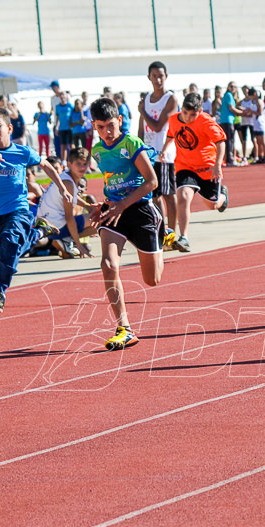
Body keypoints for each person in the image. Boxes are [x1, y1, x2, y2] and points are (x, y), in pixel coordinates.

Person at [0, 105, 67, 312]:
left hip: (17, 208)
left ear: (9, 129)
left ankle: (0, 293)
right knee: (8, 251)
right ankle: (39, 231)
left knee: (11, 244)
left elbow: (46, 164)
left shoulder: (22, 152)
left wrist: (62, 187)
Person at [88, 97, 163, 350]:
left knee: (152, 280)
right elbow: (111, 180)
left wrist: (124, 204)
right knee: (108, 264)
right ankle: (124, 328)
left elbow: (151, 182)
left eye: (110, 125)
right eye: (100, 127)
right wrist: (104, 205)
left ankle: (163, 231)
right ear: (94, 126)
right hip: (113, 213)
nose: (106, 132)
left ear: (120, 120)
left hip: (140, 209)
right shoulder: (97, 151)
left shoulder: (132, 143)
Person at [162, 93, 229, 250]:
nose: (188, 117)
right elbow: (171, 135)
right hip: (185, 167)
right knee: (183, 196)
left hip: (208, 168)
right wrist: (164, 150)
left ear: (200, 112)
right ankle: (183, 237)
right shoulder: (173, 119)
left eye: (193, 115)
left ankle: (223, 196)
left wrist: (217, 164)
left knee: (212, 205)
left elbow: (221, 142)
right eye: (185, 112)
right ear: (182, 109)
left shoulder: (206, 122)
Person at [138, 60, 179, 245]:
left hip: (165, 153)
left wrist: (142, 111)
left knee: (168, 194)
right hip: (149, 153)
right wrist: (138, 150)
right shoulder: (146, 99)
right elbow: (142, 129)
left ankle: (173, 231)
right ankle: (163, 231)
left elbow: (157, 126)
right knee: (154, 195)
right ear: (149, 77)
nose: (157, 79)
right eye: (154, 76)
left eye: (160, 76)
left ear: (166, 77)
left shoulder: (170, 99)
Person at [34, 146, 98, 259]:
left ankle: (65, 242)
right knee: (100, 219)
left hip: (47, 224)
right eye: (78, 164)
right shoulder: (68, 183)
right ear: (69, 164)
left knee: (94, 215)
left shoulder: (65, 177)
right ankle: (67, 239)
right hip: (55, 227)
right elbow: (69, 217)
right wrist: (79, 245)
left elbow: (71, 197)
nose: (82, 168)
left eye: (85, 164)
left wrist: (87, 206)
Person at [54, 91, 73, 160]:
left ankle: (72, 160)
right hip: (62, 128)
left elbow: (73, 116)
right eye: (61, 95)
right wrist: (56, 127)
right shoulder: (57, 107)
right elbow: (57, 118)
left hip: (70, 129)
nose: (62, 97)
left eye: (63, 95)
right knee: (63, 146)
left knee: (71, 145)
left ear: (66, 96)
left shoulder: (70, 106)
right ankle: (64, 162)